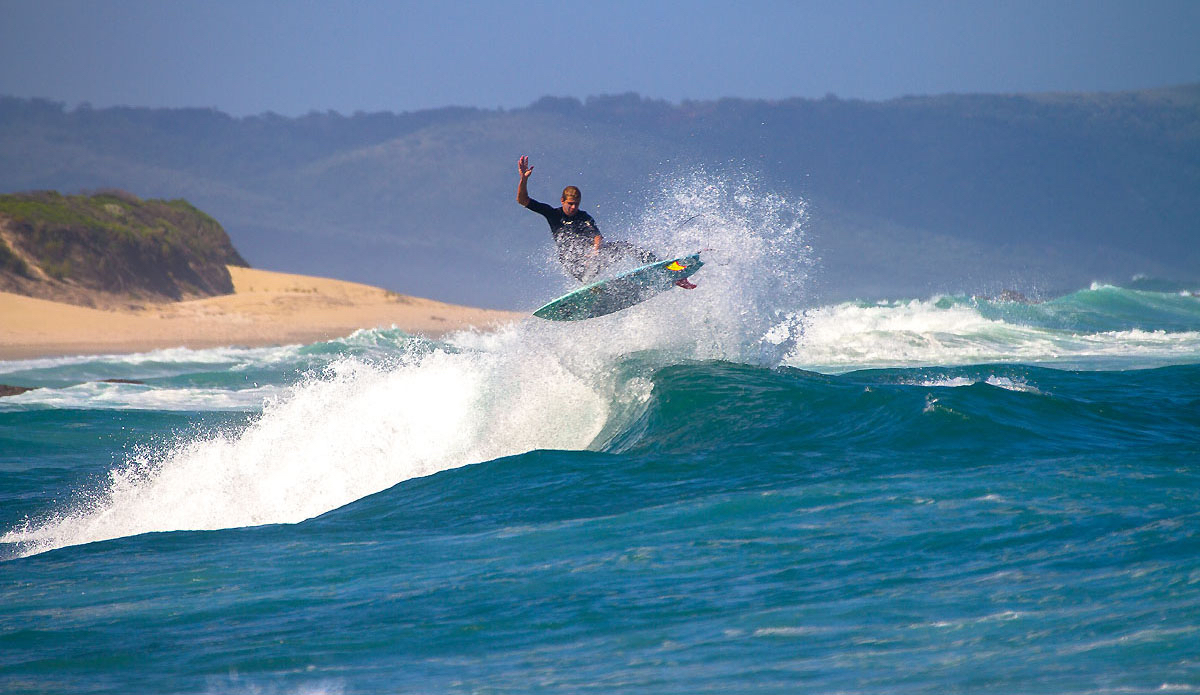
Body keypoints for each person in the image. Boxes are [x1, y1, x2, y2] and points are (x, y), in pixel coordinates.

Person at [517, 155, 697, 288]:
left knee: (626, 246)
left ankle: (668, 271)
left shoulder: (583, 217)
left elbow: (597, 236)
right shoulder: (552, 214)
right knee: (577, 260)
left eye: (576, 204)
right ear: (562, 201)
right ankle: (590, 286)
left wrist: (595, 252)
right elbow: (523, 200)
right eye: (570, 204)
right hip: (573, 263)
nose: (573, 207)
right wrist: (523, 180)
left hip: (591, 258)